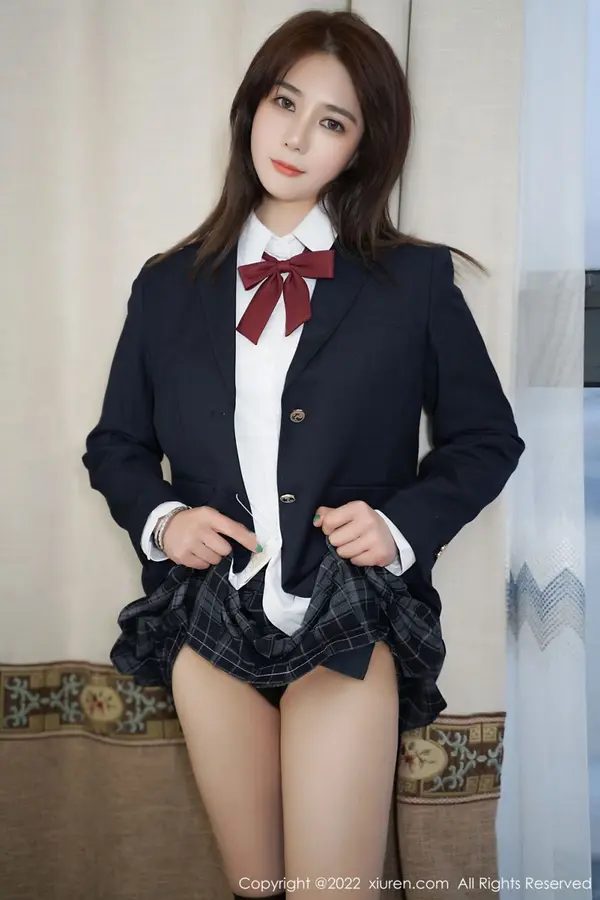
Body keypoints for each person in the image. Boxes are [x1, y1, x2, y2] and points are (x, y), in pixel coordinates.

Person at [82, 9, 525, 899]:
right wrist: (164, 521)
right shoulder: (167, 285)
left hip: (343, 614)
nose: (294, 137)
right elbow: (116, 445)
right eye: (284, 104)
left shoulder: (414, 281)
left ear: (361, 148)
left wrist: (399, 525)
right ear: (253, 106)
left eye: (332, 121)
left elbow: (487, 439)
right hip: (213, 612)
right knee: (256, 887)